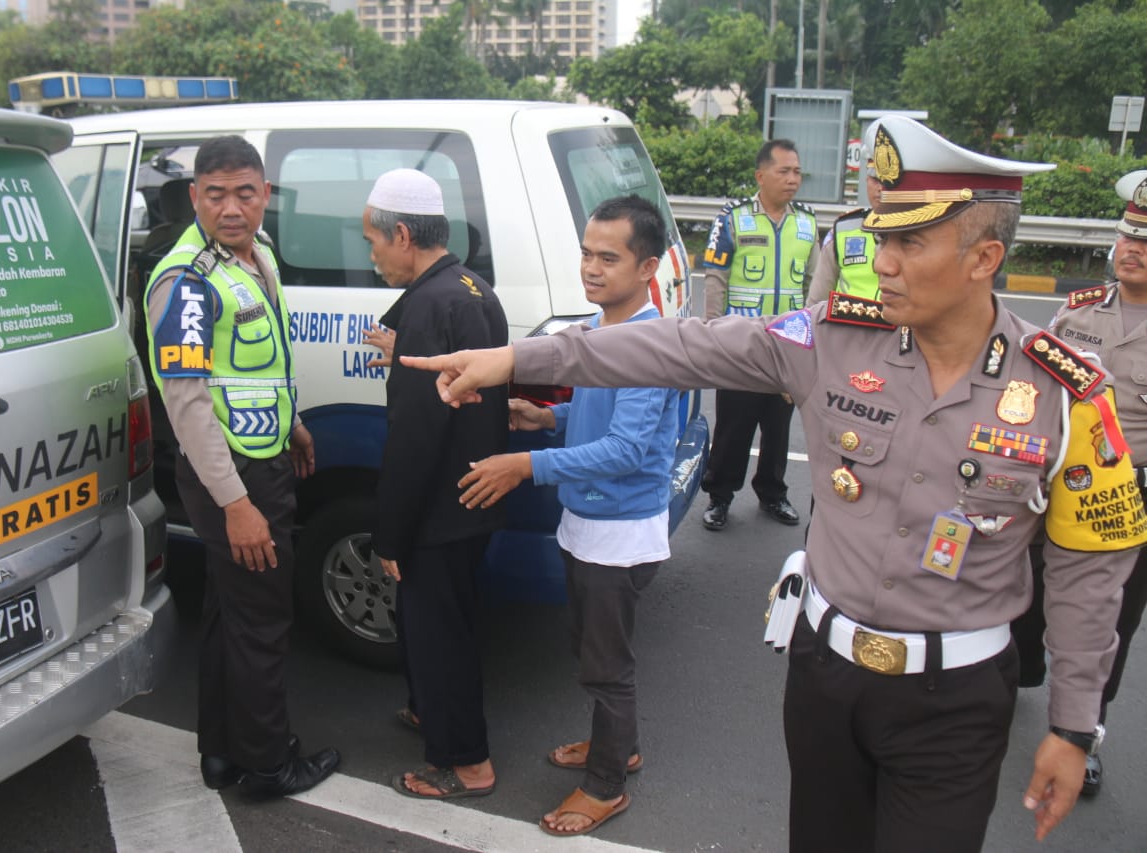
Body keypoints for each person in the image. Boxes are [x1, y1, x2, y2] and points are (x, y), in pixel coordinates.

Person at [402, 115, 1147, 851]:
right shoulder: (829, 338)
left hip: (957, 697)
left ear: (984, 257)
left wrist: (1072, 725)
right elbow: (681, 346)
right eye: (882, 236)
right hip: (824, 673)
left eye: (908, 242)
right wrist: (514, 360)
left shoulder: (1068, 393)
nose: (881, 261)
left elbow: (1092, 575)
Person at [455, 196, 677, 837]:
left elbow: (629, 449)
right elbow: (601, 418)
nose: (593, 268)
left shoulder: (649, 344)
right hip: (586, 523)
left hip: (620, 532)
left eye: (610, 258)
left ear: (648, 267)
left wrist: (525, 464)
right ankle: (618, 745)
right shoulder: (600, 327)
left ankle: (607, 784)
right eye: (587, 253)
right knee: (588, 650)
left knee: (607, 667)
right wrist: (548, 419)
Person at [144, 135, 340, 799]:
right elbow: (188, 401)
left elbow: (262, 362)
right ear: (196, 196)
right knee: (263, 619)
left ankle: (223, 753)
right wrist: (234, 502)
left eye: (245, 192)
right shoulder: (188, 280)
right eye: (217, 194)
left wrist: (296, 423)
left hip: (263, 455)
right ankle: (267, 764)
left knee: (231, 613)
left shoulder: (257, 257)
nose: (232, 207)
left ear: (264, 197)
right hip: (230, 475)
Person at [363, 168, 509, 801]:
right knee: (444, 621)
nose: (371, 254)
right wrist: (405, 350)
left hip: (439, 508)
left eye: (373, 241)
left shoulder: (428, 305)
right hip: (473, 493)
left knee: (438, 632)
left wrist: (389, 535)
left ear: (402, 234)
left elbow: (416, 439)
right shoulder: (470, 287)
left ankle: (466, 763)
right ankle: (431, 711)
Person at [1010, 167, 1147, 798]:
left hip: (1130, 495)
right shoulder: (1080, 310)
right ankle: (1013, 680)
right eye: (1127, 238)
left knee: (1106, 618)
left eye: (1145, 243)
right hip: (1062, 479)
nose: (1132, 251)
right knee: (1030, 595)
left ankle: (1086, 731)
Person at [700, 139, 818, 532]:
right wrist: (711, 333)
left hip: (788, 342)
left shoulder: (806, 222)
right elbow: (715, 277)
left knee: (778, 423)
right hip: (741, 341)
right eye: (784, 171)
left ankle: (773, 493)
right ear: (761, 175)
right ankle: (720, 496)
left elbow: (816, 286)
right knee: (735, 422)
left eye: (797, 172)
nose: (792, 179)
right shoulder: (733, 217)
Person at [808, 123, 883, 305]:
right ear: (866, 180)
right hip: (848, 332)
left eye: (888, 182)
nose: (881, 188)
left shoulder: (920, 232)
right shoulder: (843, 230)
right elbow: (816, 302)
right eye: (875, 180)